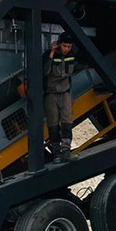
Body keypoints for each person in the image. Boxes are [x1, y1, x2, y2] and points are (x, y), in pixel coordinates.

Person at [42, 32, 80, 162]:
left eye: (69, 46)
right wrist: (52, 53)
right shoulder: (49, 55)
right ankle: (56, 152)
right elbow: (44, 71)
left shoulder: (72, 56)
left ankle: (66, 150)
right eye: (64, 46)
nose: (66, 49)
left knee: (67, 121)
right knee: (52, 123)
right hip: (51, 94)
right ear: (59, 44)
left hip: (65, 93)